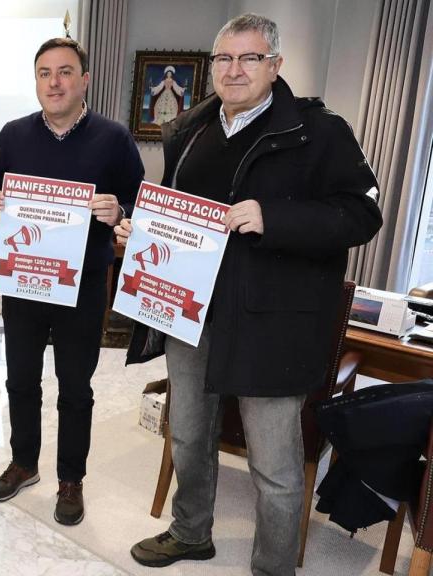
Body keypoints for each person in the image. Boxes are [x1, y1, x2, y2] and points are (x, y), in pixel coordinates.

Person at [118, 14, 382, 575]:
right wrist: (140, 232)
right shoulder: (190, 128)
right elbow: (180, 215)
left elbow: (362, 214)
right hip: (192, 312)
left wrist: (274, 218)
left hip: (272, 324)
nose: (234, 70)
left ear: (276, 65)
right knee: (188, 434)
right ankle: (191, 533)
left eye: (250, 58)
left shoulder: (319, 131)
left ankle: (273, 567)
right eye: (224, 59)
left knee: (275, 464)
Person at [0, 38, 144, 525]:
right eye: (45, 73)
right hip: (24, 281)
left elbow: (140, 203)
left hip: (83, 283)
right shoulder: (14, 134)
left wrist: (121, 210)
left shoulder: (113, 138)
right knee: (20, 379)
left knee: (75, 387)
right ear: (37, 81)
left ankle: (71, 479)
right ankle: (24, 462)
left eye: (65, 72)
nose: (55, 82)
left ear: (84, 80)